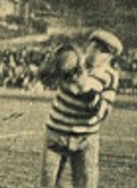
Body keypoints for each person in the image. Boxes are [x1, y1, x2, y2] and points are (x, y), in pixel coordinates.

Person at [42, 37, 116, 188]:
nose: (94, 52)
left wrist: (87, 91)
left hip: (85, 138)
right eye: (93, 46)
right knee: (48, 183)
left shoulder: (110, 76)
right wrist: (50, 65)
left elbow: (102, 113)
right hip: (56, 133)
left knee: (86, 184)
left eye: (101, 50)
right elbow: (46, 80)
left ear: (109, 57)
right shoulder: (71, 60)